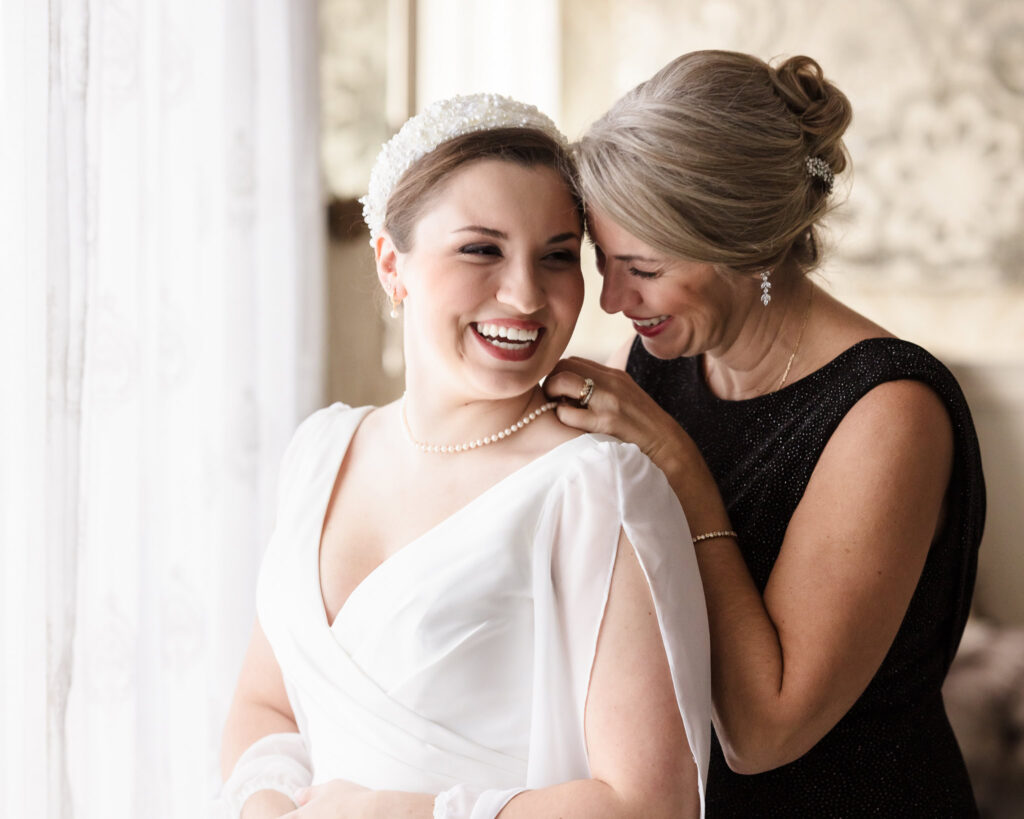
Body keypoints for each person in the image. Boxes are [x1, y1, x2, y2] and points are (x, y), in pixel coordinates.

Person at [217, 93, 711, 819]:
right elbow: (266, 703)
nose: (525, 294)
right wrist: (267, 801)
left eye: (555, 257)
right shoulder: (321, 451)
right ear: (393, 264)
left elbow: (649, 803)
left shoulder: (595, 486)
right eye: (482, 249)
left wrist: (396, 813)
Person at [545, 51, 986, 816]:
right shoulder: (657, 361)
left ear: (744, 250)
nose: (615, 299)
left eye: (641, 268)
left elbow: (762, 732)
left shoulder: (889, 410)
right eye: (604, 263)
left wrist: (679, 467)